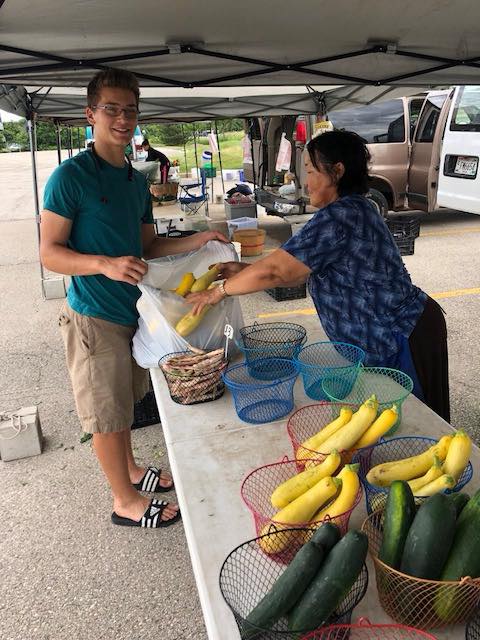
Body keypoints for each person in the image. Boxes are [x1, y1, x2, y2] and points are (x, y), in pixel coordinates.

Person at [40, 68, 228, 529]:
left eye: (130, 110)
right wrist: (104, 264)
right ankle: (123, 500)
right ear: (91, 114)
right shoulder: (71, 176)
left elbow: (149, 247)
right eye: (111, 109)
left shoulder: (135, 179)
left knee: (124, 400)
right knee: (105, 411)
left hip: (132, 311)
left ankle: (129, 470)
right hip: (94, 314)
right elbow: (49, 253)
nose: (122, 119)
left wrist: (199, 239)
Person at [186, 130, 450, 422]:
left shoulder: (341, 215)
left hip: (405, 335)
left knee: (419, 424)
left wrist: (218, 292)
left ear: (337, 171)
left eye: (311, 171)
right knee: (399, 422)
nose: (305, 182)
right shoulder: (353, 209)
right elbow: (297, 272)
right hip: (400, 332)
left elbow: (276, 271)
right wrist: (247, 272)